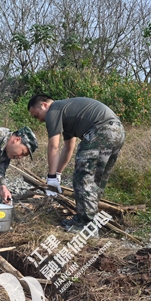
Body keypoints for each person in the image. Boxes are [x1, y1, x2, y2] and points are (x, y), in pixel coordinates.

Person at [27, 94, 125, 232]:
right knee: (97, 180)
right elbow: (68, 148)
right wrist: (58, 173)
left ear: (44, 105)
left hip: (100, 131)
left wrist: (51, 178)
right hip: (117, 131)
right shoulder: (67, 112)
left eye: (37, 115)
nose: (39, 120)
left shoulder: (53, 110)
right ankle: (90, 221)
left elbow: (54, 147)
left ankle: (84, 223)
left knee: (83, 177)